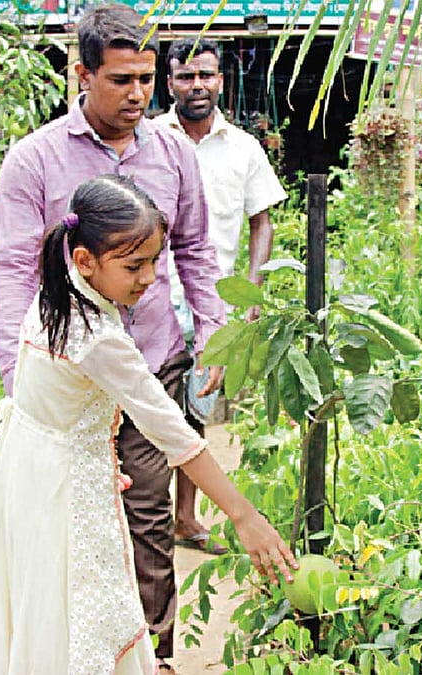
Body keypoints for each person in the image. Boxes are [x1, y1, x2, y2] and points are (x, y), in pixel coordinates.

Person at [0, 176, 295, 675]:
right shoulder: (96, 336)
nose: (148, 277)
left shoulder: (56, 295)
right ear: (85, 260)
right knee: (82, 617)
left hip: (27, 472)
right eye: (134, 265)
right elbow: (174, 433)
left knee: (52, 611)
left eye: (154, 261)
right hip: (61, 491)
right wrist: (243, 515)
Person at [0, 6, 227, 671]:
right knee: (68, 537)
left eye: (147, 78)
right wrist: (22, 381)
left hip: (150, 363)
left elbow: (198, 249)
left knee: (150, 529)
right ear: (82, 74)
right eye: (120, 79)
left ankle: (156, 658)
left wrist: (212, 334)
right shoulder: (35, 159)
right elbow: (11, 268)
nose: (137, 95)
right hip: (69, 398)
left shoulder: (174, 149)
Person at [156, 37, 289, 556]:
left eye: (205, 76)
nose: (197, 85)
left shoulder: (243, 148)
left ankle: (185, 518)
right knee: (138, 407)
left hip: (211, 304)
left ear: (220, 81)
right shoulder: (150, 139)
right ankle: (139, 513)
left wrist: (251, 289)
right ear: (170, 84)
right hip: (146, 296)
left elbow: (263, 222)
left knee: (197, 407)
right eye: (186, 77)